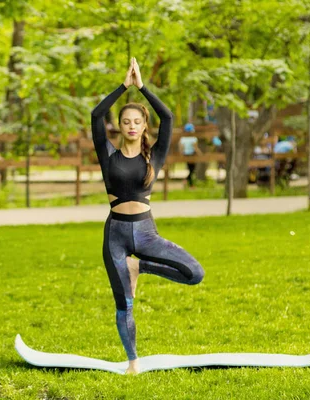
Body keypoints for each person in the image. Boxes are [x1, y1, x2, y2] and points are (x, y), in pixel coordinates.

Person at [91, 57, 204, 375]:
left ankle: (140, 266)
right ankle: (132, 360)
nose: (130, 125)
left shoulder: (155, 154)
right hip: (115, 233)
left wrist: (142, 87)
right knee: (124, 303)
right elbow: (96, 115)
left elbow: (167, 117)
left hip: (145, 232)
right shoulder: (108, 154)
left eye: (136, 122)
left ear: (143, 127)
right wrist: (122, 87)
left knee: (194, 274)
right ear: (121, 126)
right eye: (125, 121)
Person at [178, 123, 203, 188]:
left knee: (190, 169)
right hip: (191, 155)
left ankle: (190, 184)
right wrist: (200, 153)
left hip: (185, 155)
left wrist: (181, 155)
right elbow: (195, 147)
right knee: (192, 170)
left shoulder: (183, 138)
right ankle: (188, 182)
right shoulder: (193, 138)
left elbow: (181, 148)